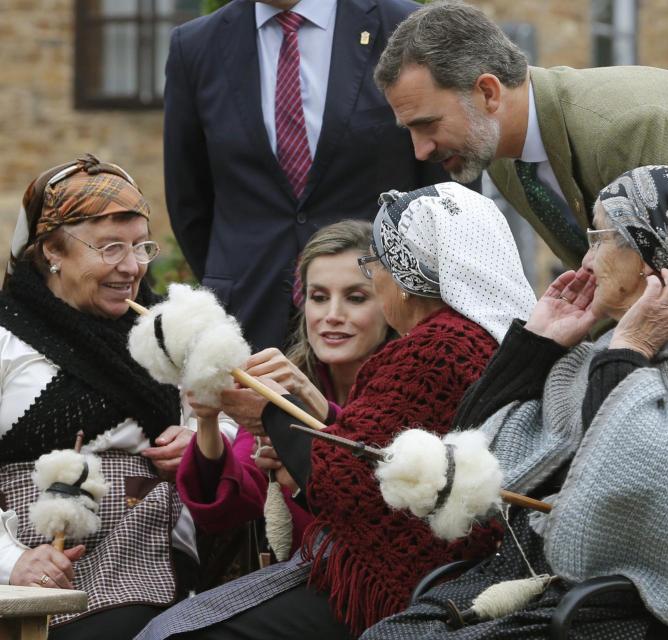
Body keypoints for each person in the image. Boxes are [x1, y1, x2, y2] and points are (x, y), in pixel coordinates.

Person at [374, 6, 668, 635]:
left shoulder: (632, 124)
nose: (420, 148)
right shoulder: (504, 159)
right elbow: (622, 291)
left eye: (427, 123)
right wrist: (543, 348)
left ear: (488, 91)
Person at [364, 166, 668, 639]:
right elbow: (468, 461)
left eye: (600, 237)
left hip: (620, 608)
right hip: (543, 587)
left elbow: (624, 493)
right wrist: (539, 344)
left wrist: (628, 352)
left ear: (650, 253)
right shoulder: (615, 347)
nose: (586, 259)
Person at [135, 182, 537, 640]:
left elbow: (352, 481)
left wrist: (270, 416)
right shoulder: (473, 339)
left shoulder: (436, 349)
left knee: (174, 634)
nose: (333, 315)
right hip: (419, 572)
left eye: (370, 275)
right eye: (318, 297)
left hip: (414, 584)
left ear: (404, 279)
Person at [0, 155, 233, 640]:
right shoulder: (6, 341)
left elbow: (230, 420)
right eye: (109, 248)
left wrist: (198, 440)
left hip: (143, 561)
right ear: (51, 252)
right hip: (20, 568)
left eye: (140, 247)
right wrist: (13, 561)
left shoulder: (166, 336)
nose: (131, 267)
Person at [163, 0, 458, 353]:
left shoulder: (407, 28)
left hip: (383, 319)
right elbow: (189, 201)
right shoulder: (196, 45)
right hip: (247, 318)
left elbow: (447, 188)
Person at [176, 220, 392, 560]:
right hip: (296, 577)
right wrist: (206, 419)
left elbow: (390, 501)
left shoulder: (408, 379)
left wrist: (305, 450)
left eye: (355, 297)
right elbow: (223, 511)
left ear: (390, 303)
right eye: (318, 297)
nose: (332, 315)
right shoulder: (275, 380)